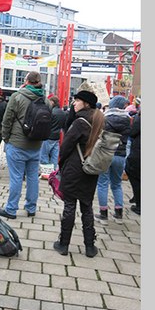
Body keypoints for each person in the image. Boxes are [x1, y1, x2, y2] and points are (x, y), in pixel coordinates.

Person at [53, 89, 104, 258]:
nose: (74, 103)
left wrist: (61, 165)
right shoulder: (98, 119)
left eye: (77, 100)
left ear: (86, 103)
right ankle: (90, 246)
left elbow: (66, 146)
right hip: (91, 169)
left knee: (70, 205)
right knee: (87, 206)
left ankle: (64, 244)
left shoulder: (80, 121)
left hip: (75, 168)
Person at [0, 71, 45, 219]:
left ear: (26, 81)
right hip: (36, 145)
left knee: (16, 177)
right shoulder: (45, 100)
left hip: (17, 143)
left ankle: (11, 209)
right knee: (32, 177)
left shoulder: (17, 97)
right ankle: (31, 208)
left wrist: (6, 138)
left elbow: (7, 119)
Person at [95, 95, 132, 225]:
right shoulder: (128, 120)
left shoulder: (105, 118)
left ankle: (103, 214)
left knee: (102, 183)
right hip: (120, 155)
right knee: (116, 184)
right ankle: (118, 214)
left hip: (106, 154)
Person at [39, 95, 67, 179]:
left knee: (44, 155)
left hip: (48, 136)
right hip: (57, 136)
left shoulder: (51, 112)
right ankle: (53, 173)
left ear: (52, 102)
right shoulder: (63, 113)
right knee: (54, 157)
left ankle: (45, 173)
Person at [126, 109, 141, 215]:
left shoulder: (140, 120)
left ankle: (139, 204)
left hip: (138, 153)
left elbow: (132, 133)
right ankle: (136, 197)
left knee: (135, 177)